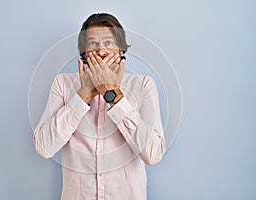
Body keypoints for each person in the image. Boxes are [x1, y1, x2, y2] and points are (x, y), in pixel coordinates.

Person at [33, 13, 166, 200]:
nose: (101, 52)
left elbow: (153, 154)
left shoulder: (143, 85)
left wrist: (113, 95)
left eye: (109, 43)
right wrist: (84, 94)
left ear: (121, 49)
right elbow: (44, 147)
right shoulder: (63, 84)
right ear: (83, 52)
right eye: (93, 44)